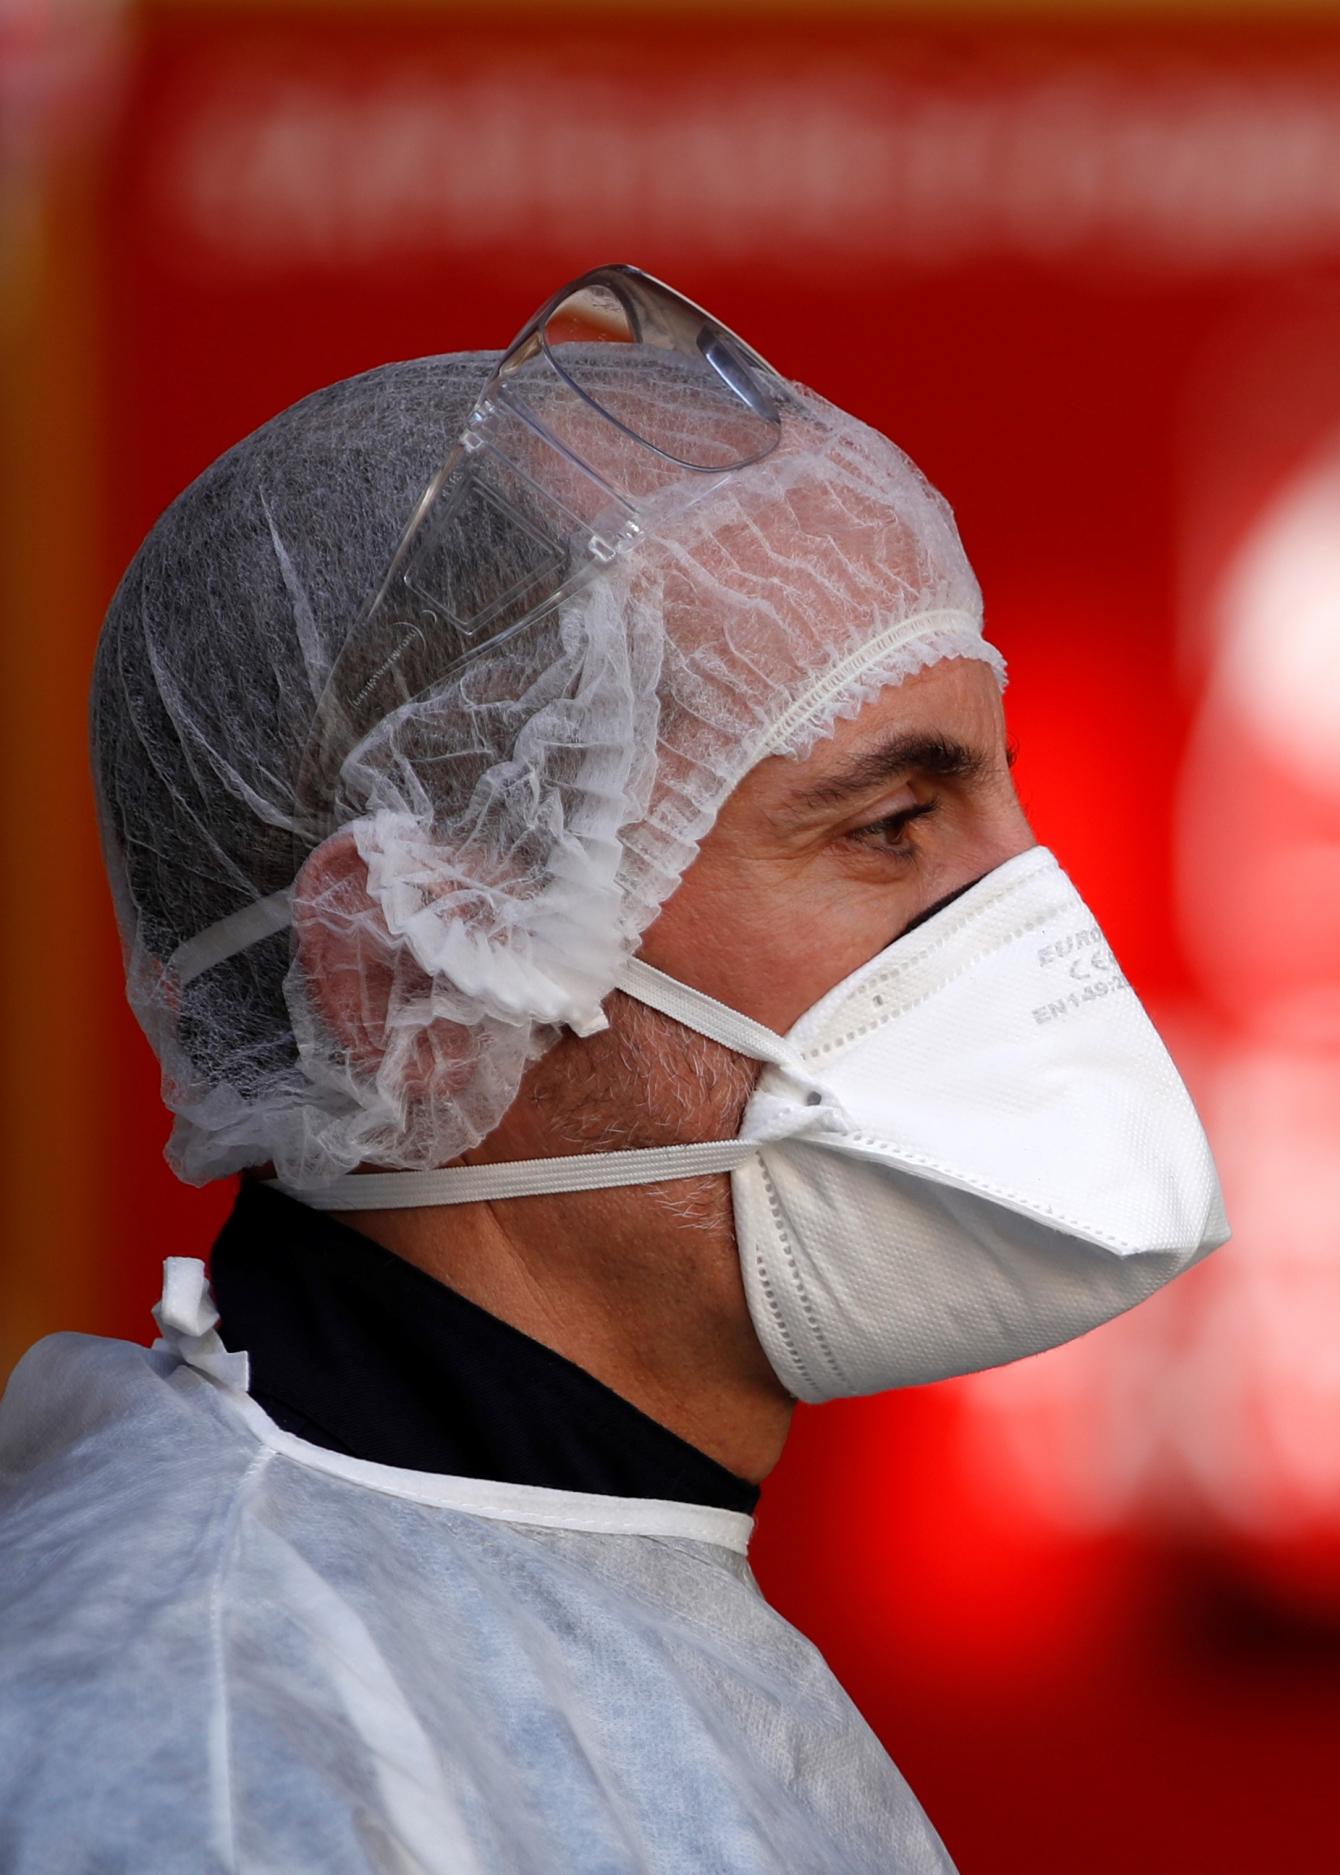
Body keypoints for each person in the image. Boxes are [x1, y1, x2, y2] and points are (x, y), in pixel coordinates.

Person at [0, 266, 1228, 1871]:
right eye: (889, 826)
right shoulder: (214, 1741)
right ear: (414, 974)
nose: (1028, 916)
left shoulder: (570, 1593)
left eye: (1001, 803)